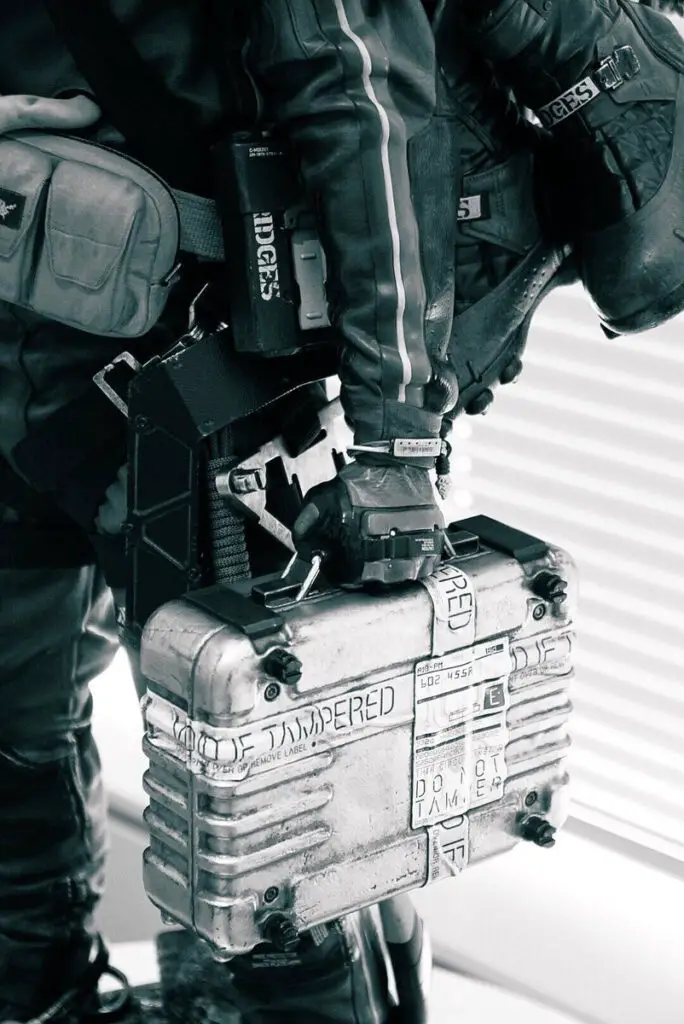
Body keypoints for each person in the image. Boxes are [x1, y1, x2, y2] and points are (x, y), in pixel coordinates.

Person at [1, 0, 682, 1020]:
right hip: (38, 342)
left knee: (272, 807)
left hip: (203, 378)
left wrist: (395, 439)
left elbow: (364, 101)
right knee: (16, 735)